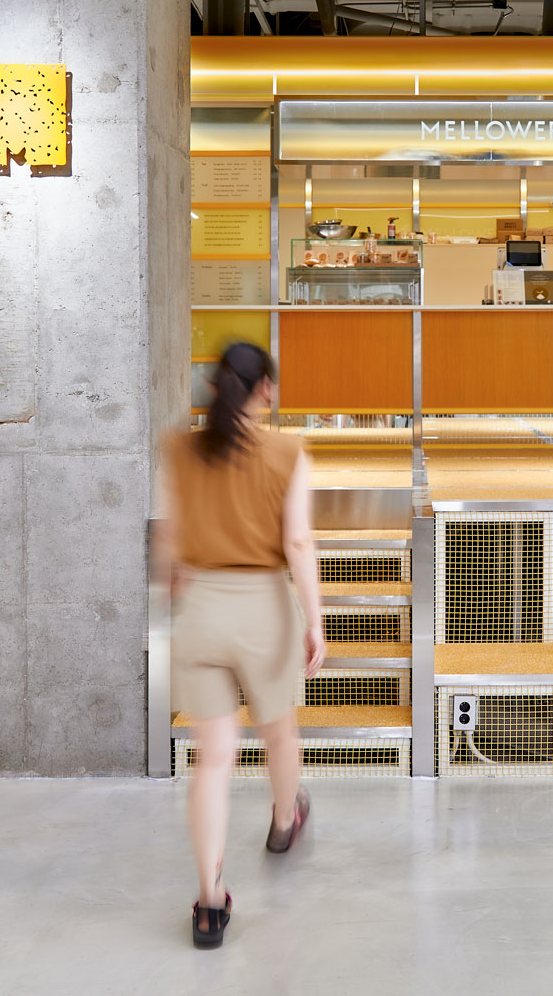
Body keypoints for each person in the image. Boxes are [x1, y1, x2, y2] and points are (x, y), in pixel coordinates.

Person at [154, 342, 325, 950]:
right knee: (278, 731)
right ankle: (283, 819)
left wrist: (176, 596)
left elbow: (169, 542)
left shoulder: (180, 450)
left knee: (214, 759)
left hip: (201, 610)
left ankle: (209, 901)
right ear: (266, 390)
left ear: (215, 388)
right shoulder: (287, 451)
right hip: (264, 609)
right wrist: (315, 618)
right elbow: (298, 542)